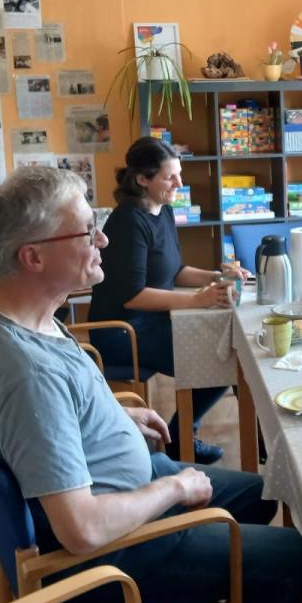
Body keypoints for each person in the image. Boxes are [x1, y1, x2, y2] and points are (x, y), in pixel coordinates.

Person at [0, 166, 302, 603]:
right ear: (33, 257)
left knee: (261, 493)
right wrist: (174, 489)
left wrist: (112, 416)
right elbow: (83, 529)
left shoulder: (7, 312)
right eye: (86, 231)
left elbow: (52, 413)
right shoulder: (24, 375)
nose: (103, 241)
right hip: (106, 547)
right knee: (288, 558)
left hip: (115, 488)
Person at [88, 137, 248, 464]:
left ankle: (181, 434)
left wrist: (217, 275)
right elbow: (133, 297)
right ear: (142, 179)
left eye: (179, 174)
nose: (179, 183)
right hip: (121, 331)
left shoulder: (163, 211)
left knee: (225, 349)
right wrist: (199, 301)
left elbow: (175, 272)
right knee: (223, 357)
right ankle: (181, 437)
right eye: (169, 177)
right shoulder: (128, 221)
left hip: (151, 320)